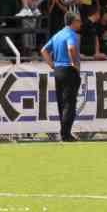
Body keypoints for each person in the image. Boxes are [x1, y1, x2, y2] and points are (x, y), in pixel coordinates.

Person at [41, 10, 83, 143]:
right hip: (68, 70)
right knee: (69, 103)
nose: (80, 23)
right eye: (79, 21)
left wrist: (53, 65)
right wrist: (75, 64)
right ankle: (66, 134)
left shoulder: (57, 35)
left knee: (61, 103)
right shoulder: (72, 34)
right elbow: (71, 48)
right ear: (73, 22)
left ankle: (64, 132)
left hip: (58, 70)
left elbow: (44, 50)